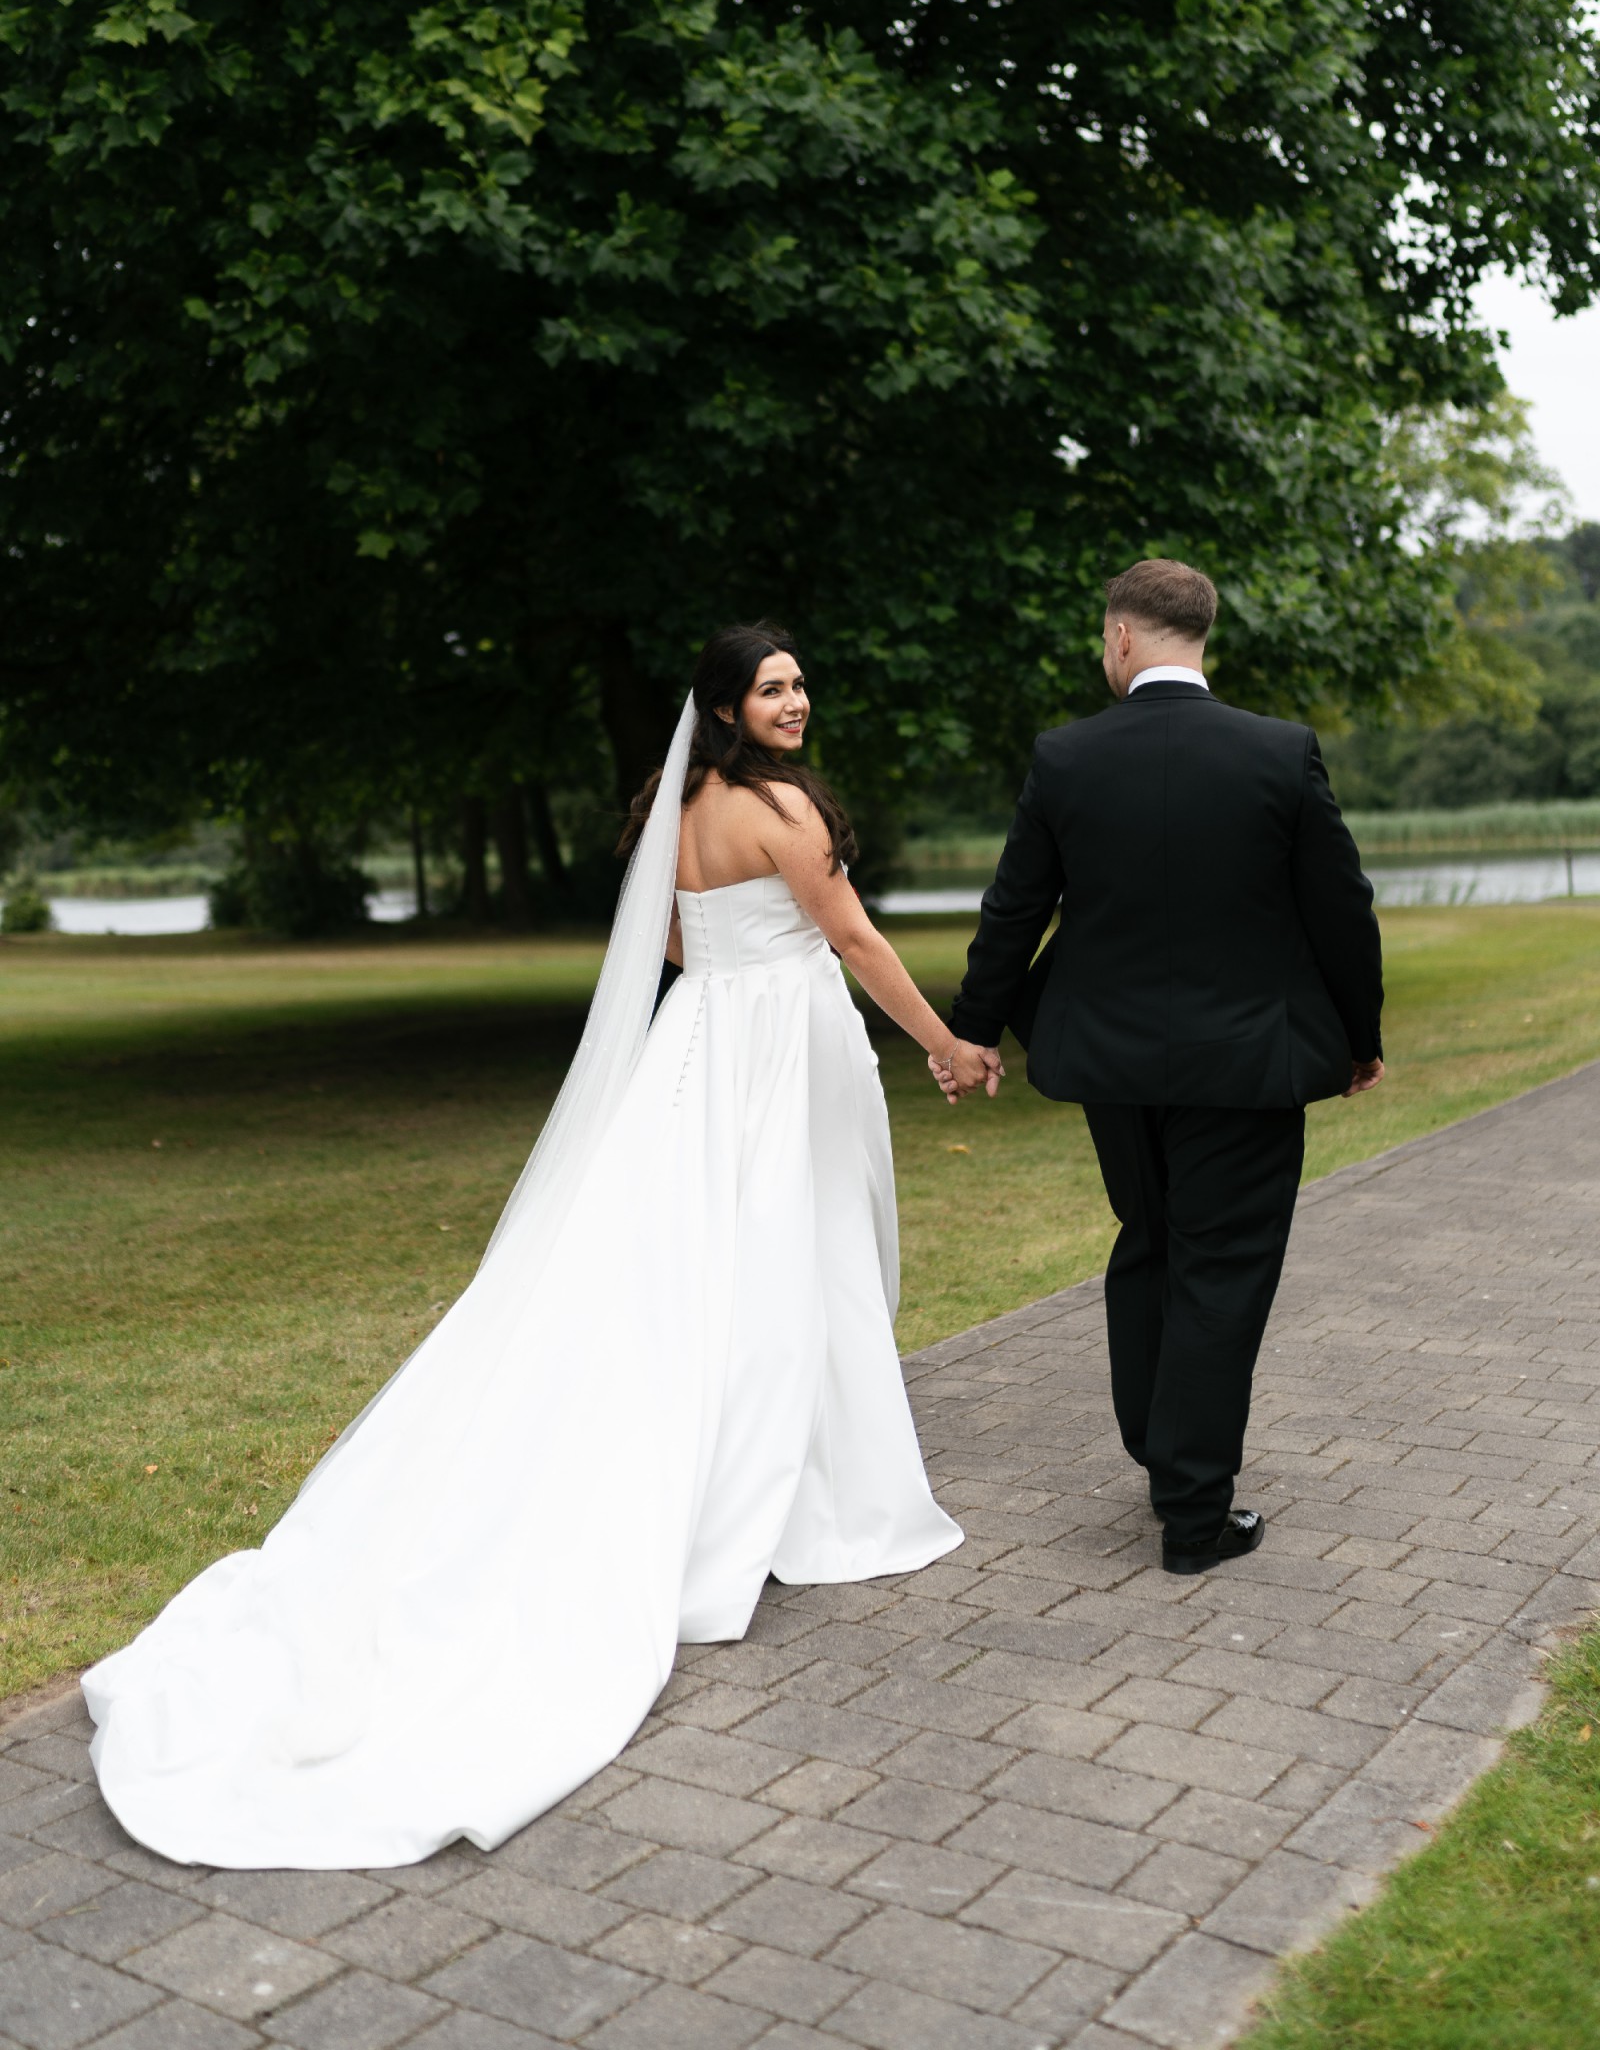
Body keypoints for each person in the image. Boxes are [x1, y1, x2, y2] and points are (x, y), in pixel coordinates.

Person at [84, 624, 972, 1870]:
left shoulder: (681, 809)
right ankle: (792, 1492)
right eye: (772, 688)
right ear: (724, 706)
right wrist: (945, 1043)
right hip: (777, 1048)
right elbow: (858, 941)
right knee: (789, 1253)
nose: (796, 701)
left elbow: (670, 942)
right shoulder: (783, 812)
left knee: (693, 1259)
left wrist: (741, 960)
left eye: (800, 683)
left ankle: (764, 1463)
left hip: (701, 1044)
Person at [945, 560, 1384, 1575]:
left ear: (1122, 637)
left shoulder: (1066, 757)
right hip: (1246, 1065)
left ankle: (1163, 1449)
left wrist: (973, 1030)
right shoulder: (1278, 752)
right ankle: (1192, 1515)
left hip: (1113, 1065)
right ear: (1202, 635)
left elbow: (1013, 909)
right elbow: (1340, 907)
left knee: (1150, 1243)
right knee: (1220, 1266)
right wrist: (1359, 1036)